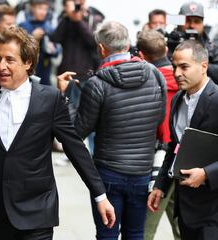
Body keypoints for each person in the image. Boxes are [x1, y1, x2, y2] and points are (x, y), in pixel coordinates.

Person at [0, 26, 115, 240]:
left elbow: (74, 147)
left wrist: (99, 195)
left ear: (28, 63)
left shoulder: (49, 99)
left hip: (37, 210)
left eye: (10, 60)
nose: (1, 66)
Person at [58, 21, 166, 239]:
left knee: (106, 234)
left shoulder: (97, 83)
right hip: (142, 172)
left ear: (101, 48)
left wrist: (65, 96)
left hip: (108, 173)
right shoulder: (155, 74)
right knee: (135, 233)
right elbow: (159, 117)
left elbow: (77, 131)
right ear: (128, 46)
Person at [148, 40, 218, 240]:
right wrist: (160, 185)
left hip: (213, 211)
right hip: (186, 209)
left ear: (203, 66)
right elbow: (174, 147)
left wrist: (206, 173)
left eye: (184, 66)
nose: (177, 73)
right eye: (174, 66)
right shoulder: (178, 98)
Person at [136, 29, 181, 240]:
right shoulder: (184, 80)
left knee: (145, 228)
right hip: (182, 158)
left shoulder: (145, 82)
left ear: (142, 56)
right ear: (166, 50)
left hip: (157, 163)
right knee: (182, 223)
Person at [176, 1, 218, 83]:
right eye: (187, 21)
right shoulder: (167, 45)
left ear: (202, 23)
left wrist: (196, 65)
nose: (192, 25)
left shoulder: (212, 48)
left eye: (197, 21)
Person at [19, 0, 59, 85]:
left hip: (45, 70)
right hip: (27, 70)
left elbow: (57, 51)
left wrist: (52, 49)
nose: (43, 12)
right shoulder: (24, 26)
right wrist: (32, 37)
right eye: (40, 8)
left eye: (45, 9)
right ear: (32, 8)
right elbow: (18, 48)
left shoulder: (49, 28)